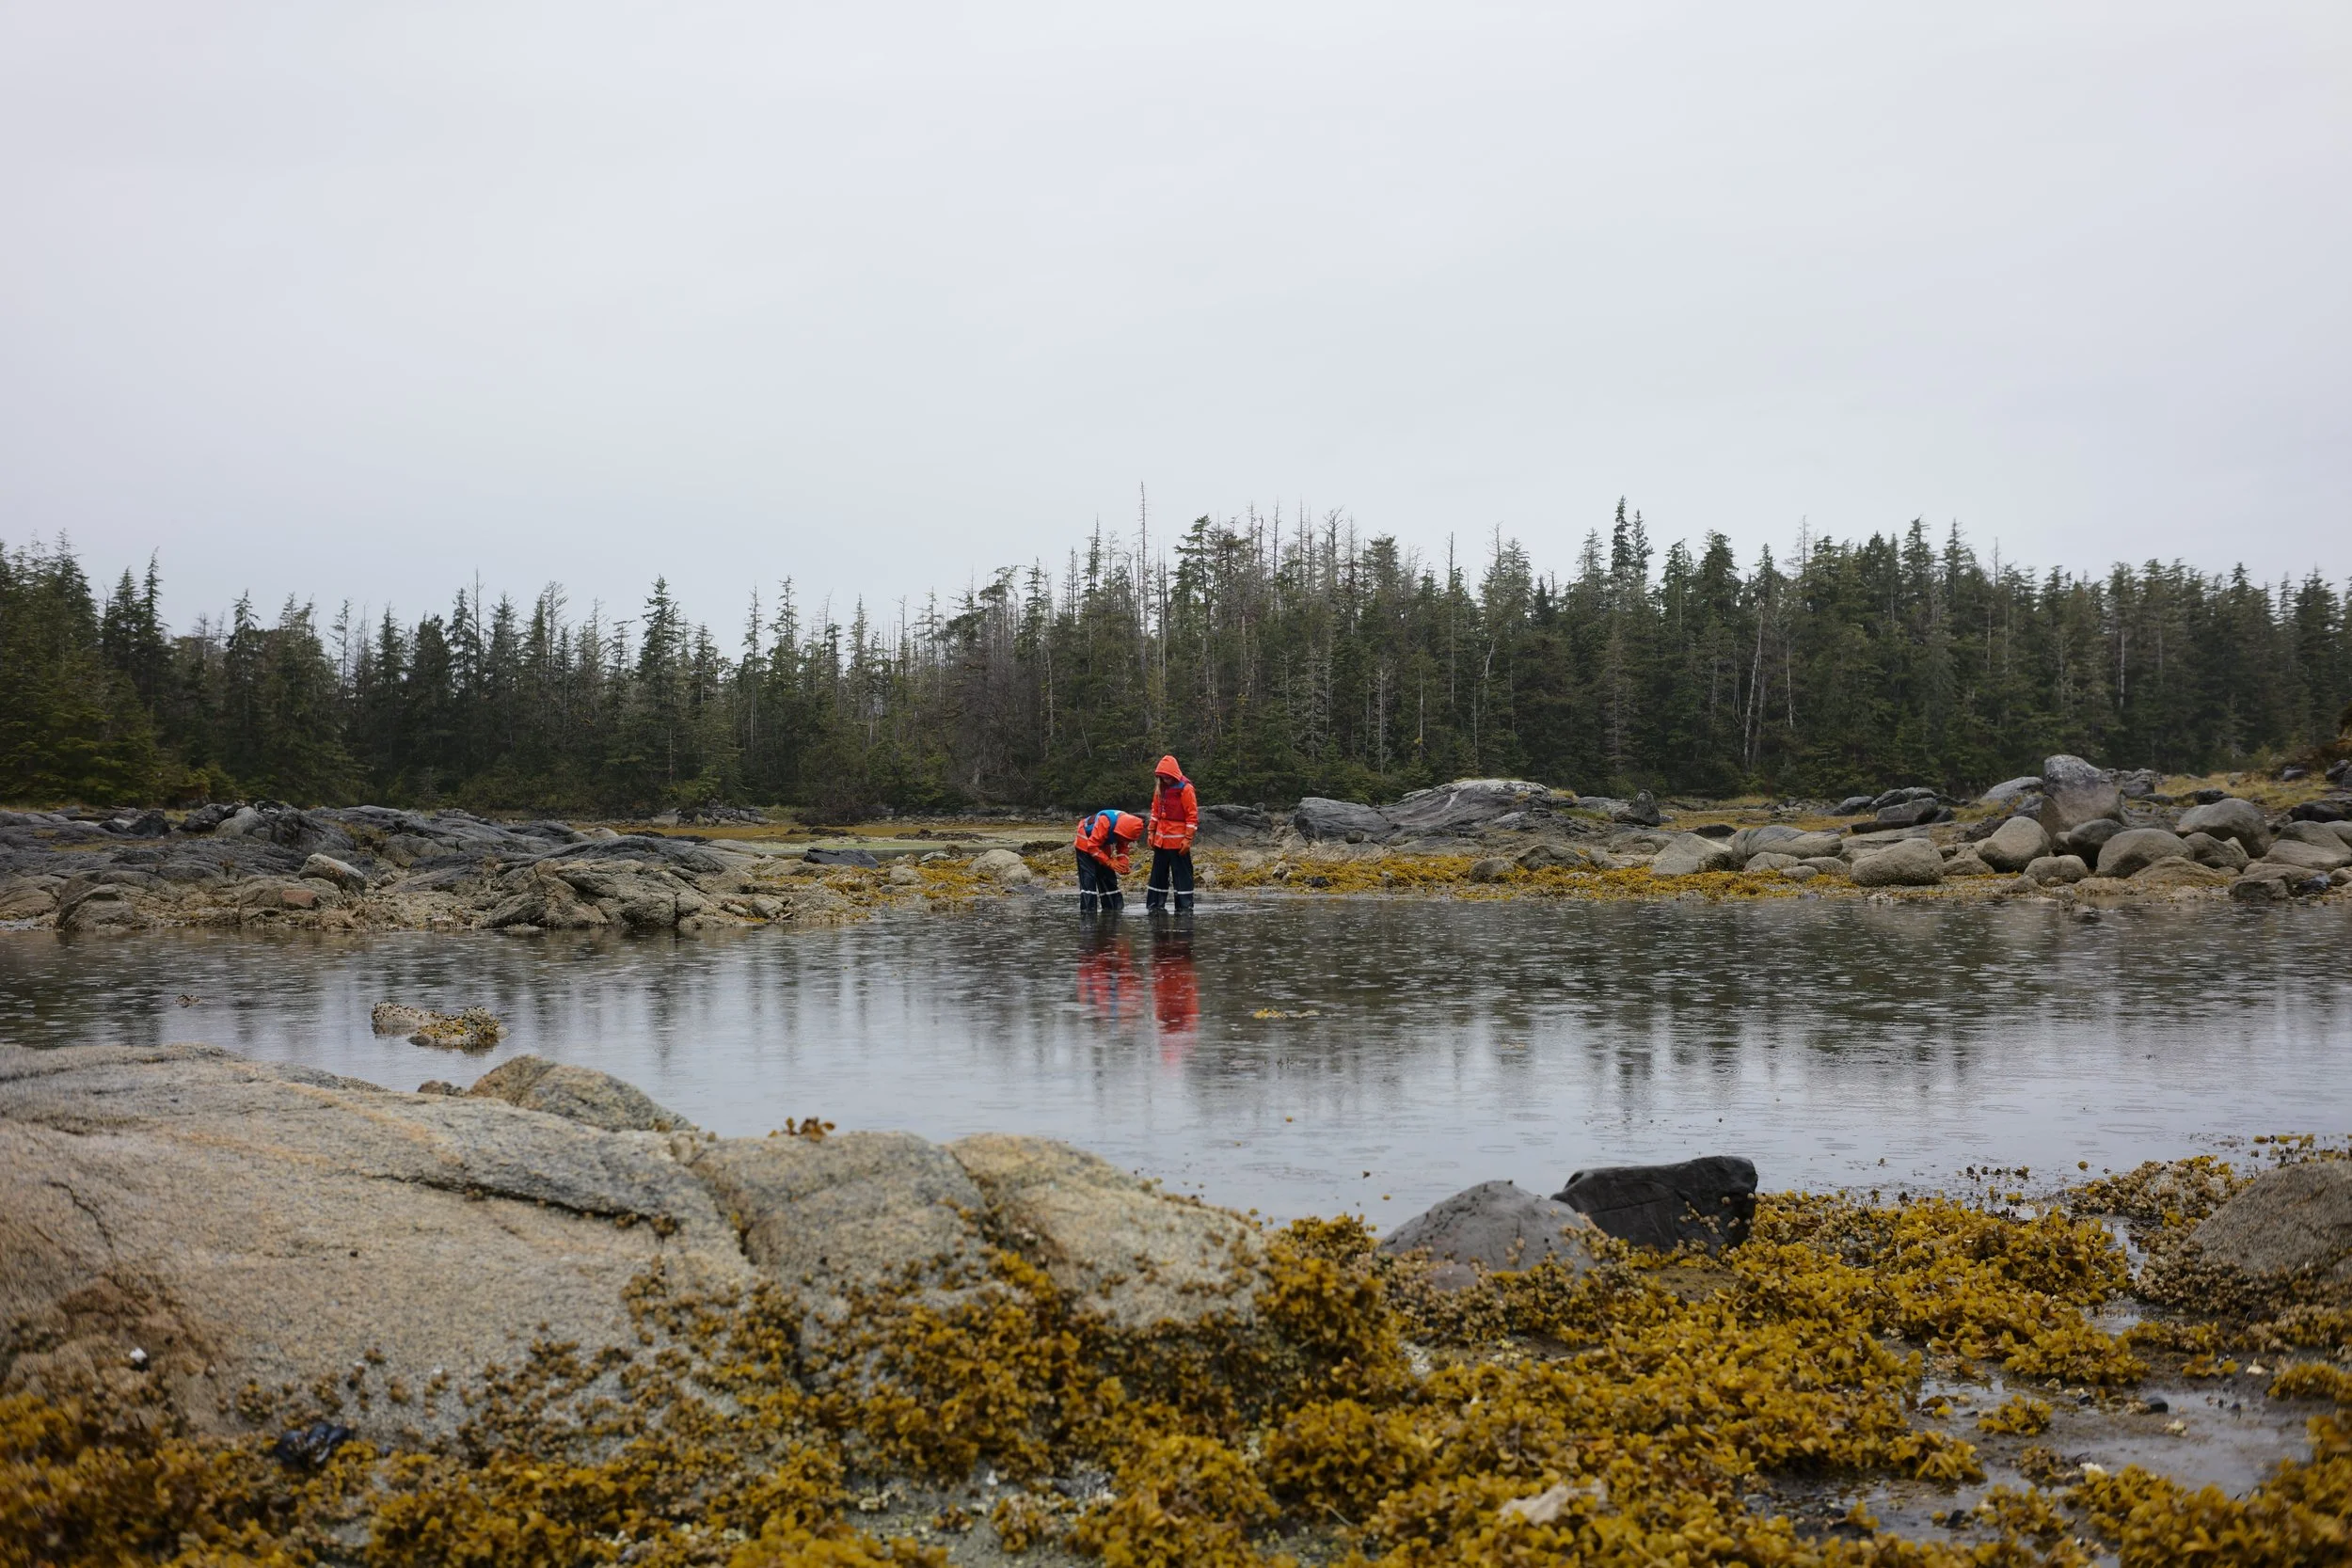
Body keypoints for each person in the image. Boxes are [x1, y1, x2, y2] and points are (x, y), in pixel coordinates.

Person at [1143, 754, 1198, 912]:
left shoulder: (1186, 788)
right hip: (1160, 842)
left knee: (1182, 875)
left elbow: (1192, 816)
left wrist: (1188, 839)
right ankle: (1154, 907)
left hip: (1178, 843)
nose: (1165, 779)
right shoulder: (1160, 788)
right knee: (1158, 876)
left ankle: (1185, 907)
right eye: (1162, 777)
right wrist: (1151, 832)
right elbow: (1155, 812)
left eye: (1167, 777)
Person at [1073, 807, 1145, 912]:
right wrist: (1109, 861)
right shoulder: (1105, 821)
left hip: (1103, 843)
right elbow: (1092, 847)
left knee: (1108, 878)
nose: (1124, 840)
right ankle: (1088, 912)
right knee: (1089, 879)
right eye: (1123, 838)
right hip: (1085, 843)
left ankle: (1114, 909)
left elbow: (1123, 846)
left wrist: (1123, 864)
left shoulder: (1127, 826)